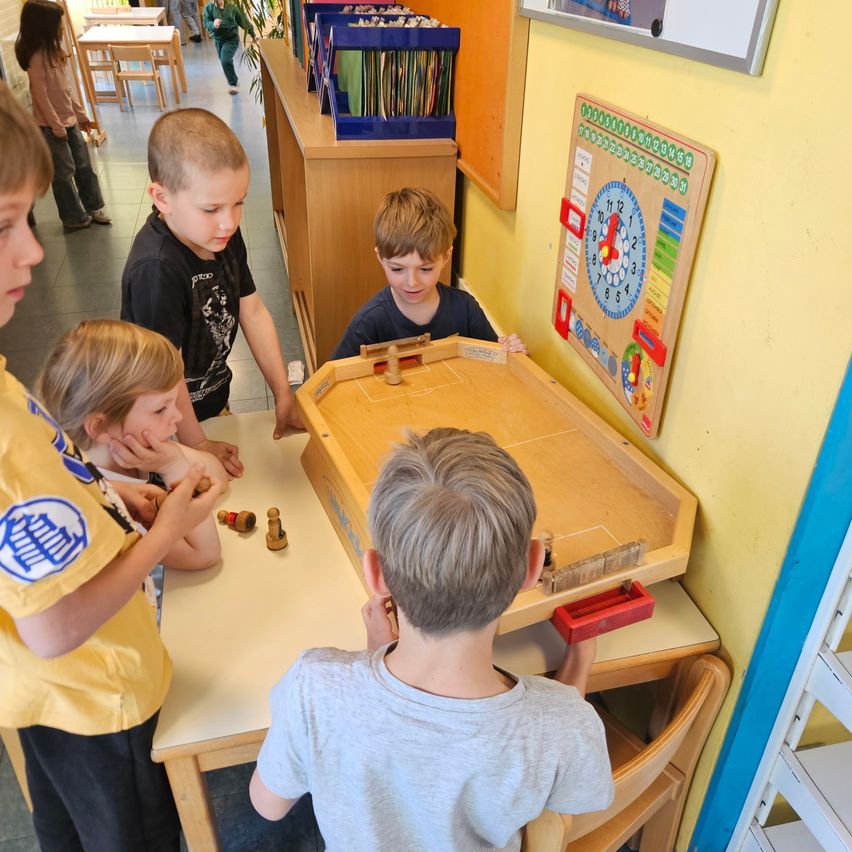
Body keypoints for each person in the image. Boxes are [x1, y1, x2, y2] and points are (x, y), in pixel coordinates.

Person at [0, 81, 222, 850]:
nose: (33, 248)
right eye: (5, 225)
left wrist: (117, 490)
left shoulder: (5, 382)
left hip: (54, 702)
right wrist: (153, 538)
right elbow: (54, 628)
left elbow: (50, 478)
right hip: (98, 701)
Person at [249, 427, 613, 851]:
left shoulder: (313, 687)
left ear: (376, 575)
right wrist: (580, 659)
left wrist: (376, 659)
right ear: (532, 567)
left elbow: (268, 805)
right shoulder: (565, 721)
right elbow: (572, 804)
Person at [121, 108, 302, 479]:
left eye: (239, 202)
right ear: (162, 197)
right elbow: (166, 371)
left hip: (210, 407)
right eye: (211, 208)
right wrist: (197, 444)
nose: (230, 222)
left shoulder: (220, 235)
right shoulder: (156, 269)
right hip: (162, 429)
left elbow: (252, 312)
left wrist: (283, 391)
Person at [36, 319, 225, 572]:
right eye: (160, 409)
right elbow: (204, 554)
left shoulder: (138, 448)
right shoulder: (102, 504)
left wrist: (174, 459)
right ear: (101, 427)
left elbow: (218, 477)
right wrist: (173, 466)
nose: (177, 417)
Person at [331, 187, 527, 359]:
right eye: (398, 269)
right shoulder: (368, 323)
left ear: (446, 257)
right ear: (381, 259)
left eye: (425, 269)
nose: (412, 282)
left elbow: (493, 361)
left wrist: (510, 352)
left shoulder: (465, 309)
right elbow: (335, 380)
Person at [14, 0, 110, 230]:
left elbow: (65, 89)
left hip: (69, 121)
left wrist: (80, 114)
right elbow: (40, 96)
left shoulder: (54, 52)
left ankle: (93, 206)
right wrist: (57, 126)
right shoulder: (36, 58)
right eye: (59, 23)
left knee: (84, 165)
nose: (63, 27)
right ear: (45, 26)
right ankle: (73, 217)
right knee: (64, 173)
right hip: (50, 126)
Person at [203, 0, 255, 94]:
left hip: (232, 39)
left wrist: (252, 34)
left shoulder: (232, 8)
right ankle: (234, 79)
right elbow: (206, 22)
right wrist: (213, 24)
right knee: (224, 60)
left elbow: (243, 21)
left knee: (225, 60)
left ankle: (233, 84)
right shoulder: (209, 8)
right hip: (218, 40)